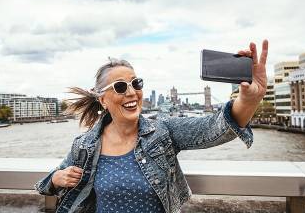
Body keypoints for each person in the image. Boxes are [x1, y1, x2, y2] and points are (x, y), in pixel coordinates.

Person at [35, 40, 269, 213]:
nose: (131, 92)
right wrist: (57, 178)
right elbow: (45, 185)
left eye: (136, 83)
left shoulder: (162, 131)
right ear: (103, 100)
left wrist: (248, 100)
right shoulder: (84, 146)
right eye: (119, 87)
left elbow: (215, 128)